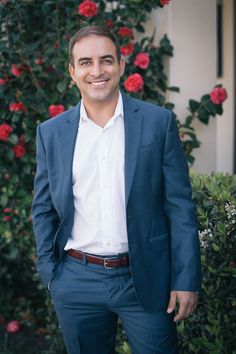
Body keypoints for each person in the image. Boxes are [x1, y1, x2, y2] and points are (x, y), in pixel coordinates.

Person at [32, 25, 201, 354]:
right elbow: (43, 207)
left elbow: (179, 206)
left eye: (106, 60)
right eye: (85, 62)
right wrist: (51, 274)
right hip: (76, 279)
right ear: (72, 71)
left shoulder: (157, 122)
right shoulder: (50, 133)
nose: (97, 71)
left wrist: (185, 280)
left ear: (122, 66)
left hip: (146, 279)